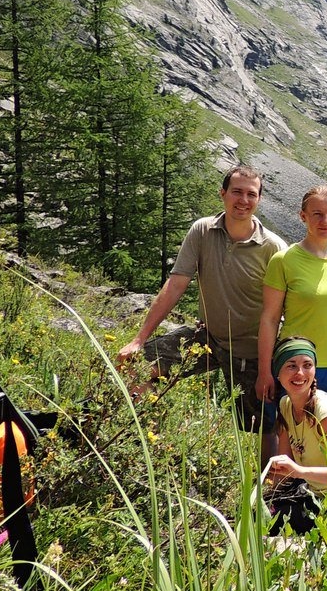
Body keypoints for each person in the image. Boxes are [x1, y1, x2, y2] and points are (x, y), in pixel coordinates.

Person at [116, 166, 286, 465]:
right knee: (136, 367)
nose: (243, 200)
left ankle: (270, 489)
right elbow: (176, 283)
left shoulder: (273, 247)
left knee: (264, 426)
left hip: (252, 349)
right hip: (208, 337)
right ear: (223, 194)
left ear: (259, 200)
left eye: (251, 194)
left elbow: (285, 306)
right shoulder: (203, 230)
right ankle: (155, 451)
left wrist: (269, 366)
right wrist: (139, 339)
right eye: (237, 192)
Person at [259, 186, 327, 410]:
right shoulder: (283, 260)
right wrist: (265, 371)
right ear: (303, 216)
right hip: (295, 367)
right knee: (293, 438)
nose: (324, 221)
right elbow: (269, 318)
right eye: (317, 214)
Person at [265, 337, 327, 495]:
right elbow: (283, 472)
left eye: (307, 365)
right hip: (313, 493)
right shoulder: (286, 405)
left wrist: (299, 472)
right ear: (278, 373)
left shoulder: (326, 412)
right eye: (291, 366)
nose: (300, 373)